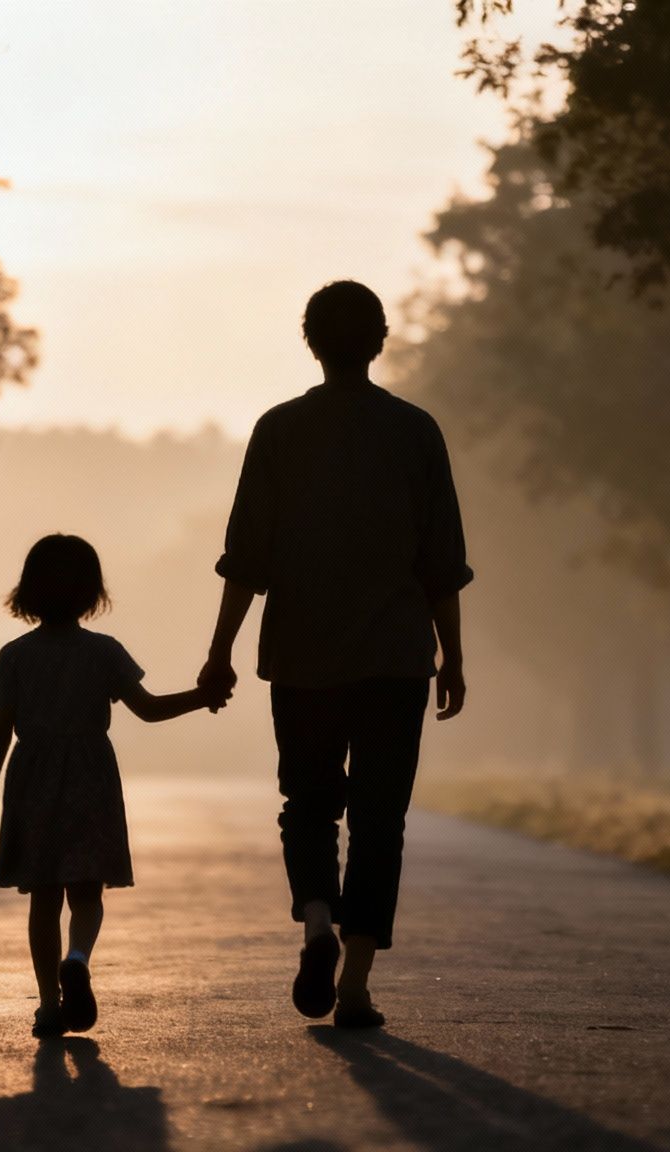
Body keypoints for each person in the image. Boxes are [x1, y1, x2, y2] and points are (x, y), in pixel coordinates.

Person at [199, 280, 472, 1030]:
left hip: (303, 655)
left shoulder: (280, 430)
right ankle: (353, 983)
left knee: (309, 803)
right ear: (380, 340)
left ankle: (317, 923)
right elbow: (440, 562)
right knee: (382, 817)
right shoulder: (416, 431)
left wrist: (219, 652)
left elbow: (246, 559)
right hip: (394, 657)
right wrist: (452, 656)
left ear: (310, 342)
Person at [0, 533, 231, 1038]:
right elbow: (149, 709)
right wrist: (201, 697)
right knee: (87, 890)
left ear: (28, 590)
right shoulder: (104, 653)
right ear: (92, 593)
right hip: (91, 775)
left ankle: (49, 1005)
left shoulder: (15, 656)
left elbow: (0, 728)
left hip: (32, 778)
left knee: (43, 897)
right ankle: (78, 957)